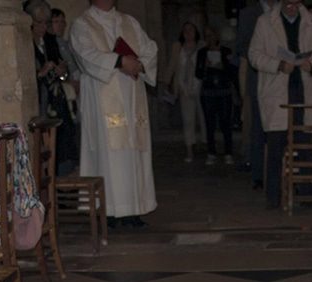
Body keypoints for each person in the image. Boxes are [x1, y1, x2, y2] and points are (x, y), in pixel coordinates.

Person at [69, 0, 159, 229]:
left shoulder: (129, 22)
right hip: (102, 101)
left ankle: (134, 210)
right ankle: (108, 212)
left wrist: (139, 64)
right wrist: (119, 61)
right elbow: (86, 55)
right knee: (108, 155)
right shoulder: (82, 24)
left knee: (133, 154)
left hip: (131, 96)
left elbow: (150, 49)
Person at [249, 0, 312, 210]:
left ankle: (308, 195)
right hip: (277, 92)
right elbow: (254, 55)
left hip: (304, 90)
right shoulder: (264, 22)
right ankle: (273, 198)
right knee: (275, 146)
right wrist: (278, 65)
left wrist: (310, 64)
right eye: (288, 3)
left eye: (295, 3)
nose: (292, 7)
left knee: (305, 145)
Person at [29, 1, 79, 171]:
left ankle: (64, 177)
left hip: (57, 99)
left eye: (46, 23)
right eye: (39, 23)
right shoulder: (25, 42)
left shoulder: (50, 41)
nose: (43, 27)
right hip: (39, 101)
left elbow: (64, 72)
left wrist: (61, 71)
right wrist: (41, 72)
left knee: (64, 138)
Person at [237, 0, 274, 189]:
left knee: (278, 130)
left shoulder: (284, 10)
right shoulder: (248, 14)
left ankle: (278, 172)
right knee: (258, 128)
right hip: (257, 76)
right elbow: (242, 47)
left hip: (280, 78)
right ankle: (258, 174)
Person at [164, 22, 204, 163]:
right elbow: (172, 65)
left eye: (191, 30)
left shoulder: (201, 46)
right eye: (185, 30)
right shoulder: (177, 47)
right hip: (183, 86)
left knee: (203, 118)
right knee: (188, 119)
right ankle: (189, 150)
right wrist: (167, 81)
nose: (188, 33)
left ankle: (206, 145)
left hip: (199, 86)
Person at [196, 26, 235, 165]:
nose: (210, 39)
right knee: (209, 123)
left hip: (224, 91)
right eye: (206, 36)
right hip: (208, 92)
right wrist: (205, 66)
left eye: (212, 35)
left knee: (226, 122)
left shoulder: (226, 51)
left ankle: (228, 152)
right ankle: (211, 152)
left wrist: (222, 66)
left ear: (217, 36)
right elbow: (198, 73)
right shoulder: (201, 53)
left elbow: (232, 71)